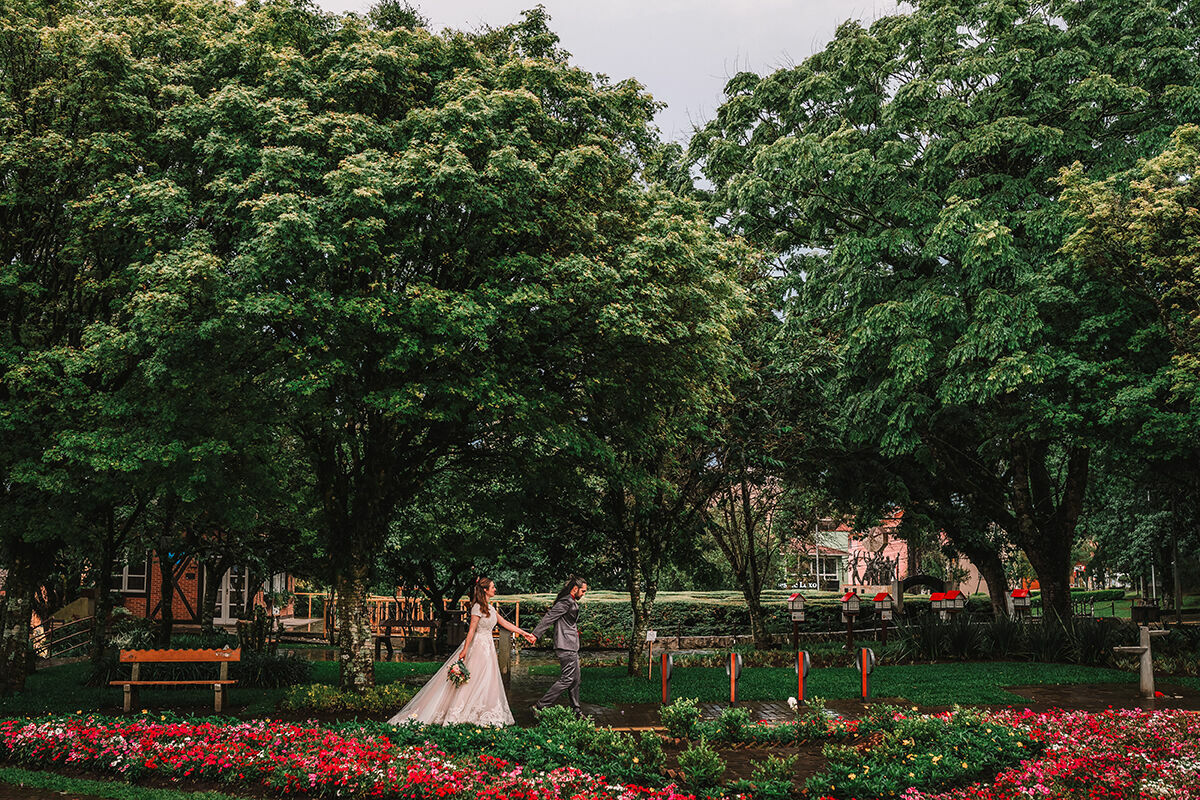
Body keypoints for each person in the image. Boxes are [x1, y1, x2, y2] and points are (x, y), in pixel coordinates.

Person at [387, 577, 535, 727]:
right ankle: (462, 711)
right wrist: (465, 650)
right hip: (477, 646)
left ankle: (482, 710)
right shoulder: (477, 607)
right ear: (485, 590)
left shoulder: (491, 608)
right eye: (493, 587)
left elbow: (505, 623)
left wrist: (524, 633)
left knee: (486, 679)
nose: (495, 589)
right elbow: (471, 630)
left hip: (488, 647)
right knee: (473, 679)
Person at [529, 575, 587, 718]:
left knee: (576, 679)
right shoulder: (565, 602)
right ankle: (540, 706)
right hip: (566, 645)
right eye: (583, 591)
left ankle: (576, 710)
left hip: (570, 645)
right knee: (567, 678)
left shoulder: (570, 601)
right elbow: (549, 618)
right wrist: (535, 635)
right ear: (575, 589)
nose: (584, 594)